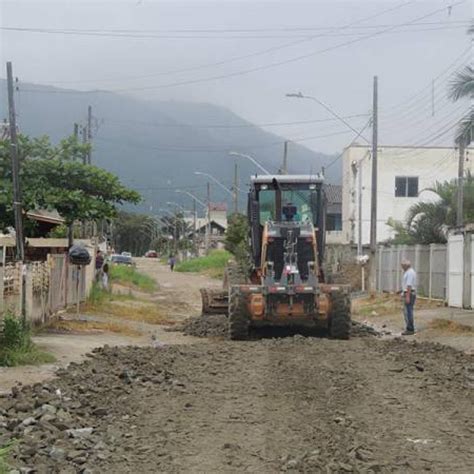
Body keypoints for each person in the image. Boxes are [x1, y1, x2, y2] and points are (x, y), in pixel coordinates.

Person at [400, 259, 416, 335]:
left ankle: (410, 328)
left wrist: (407, 296)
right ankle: (409, 327)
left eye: (402, 266)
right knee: (407, 311)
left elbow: (409, 285)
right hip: (408, 293)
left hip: (409, 293)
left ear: (406, 266)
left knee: (408, 312)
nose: (402, 267)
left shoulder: (410, 273)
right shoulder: (409, 272)